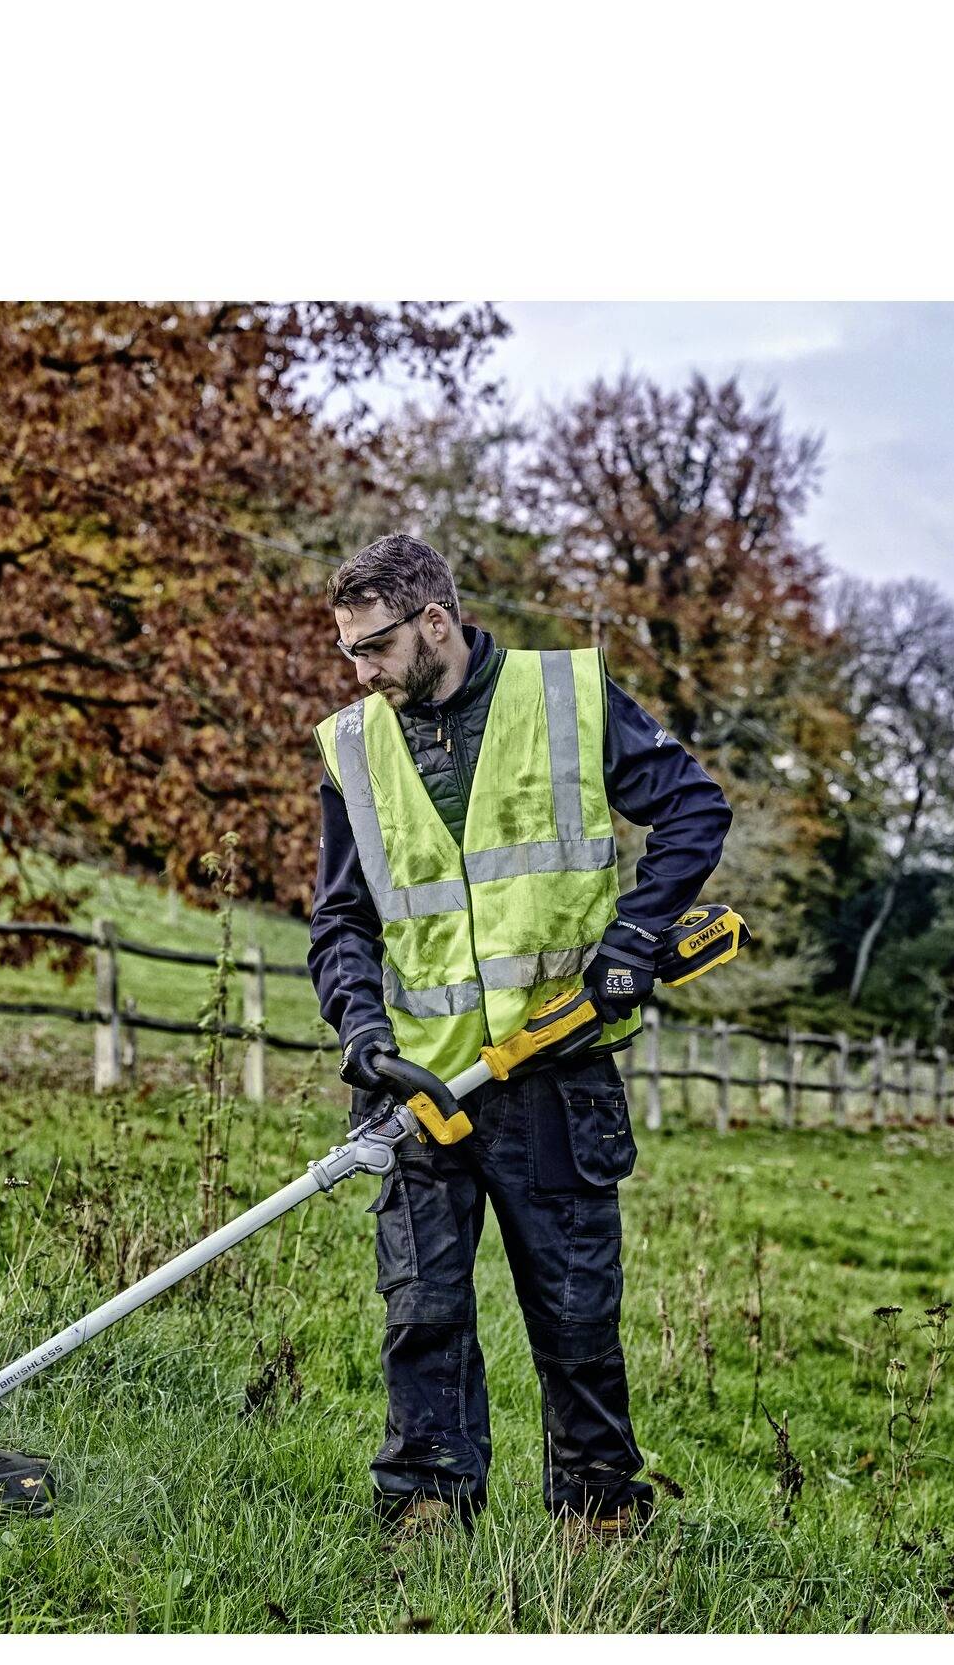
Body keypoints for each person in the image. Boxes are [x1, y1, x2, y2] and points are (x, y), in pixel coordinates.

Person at [307, 534, 732, 1539]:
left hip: (553, 1069)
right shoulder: (354, 746)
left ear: (434, 623)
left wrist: (633, 935)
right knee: (422, 1308)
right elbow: (341, 919)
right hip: (419, 1084)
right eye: (348, 655)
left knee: (576, 1309)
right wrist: (362, 1031)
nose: (360, 672)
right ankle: (424, 1505)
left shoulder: (565, 698)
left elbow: (691, 808)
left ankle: (595, 1512)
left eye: (372, 647)